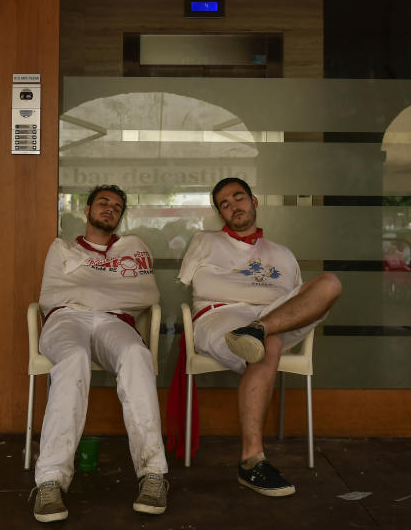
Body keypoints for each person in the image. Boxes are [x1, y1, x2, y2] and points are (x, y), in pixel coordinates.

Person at [171, 177, 341, 497]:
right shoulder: (204, 241)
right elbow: (186, 285)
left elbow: (299, 302)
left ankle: (258, 330)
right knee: (267, 345)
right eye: (225, 203)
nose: (234, 206)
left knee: (330, 282)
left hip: (274, 317)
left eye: (239, 198)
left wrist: (265, 321)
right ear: (220, 214)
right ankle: (251, 462)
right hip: (219, 316)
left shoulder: (283, 253)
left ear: (254, 201)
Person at [30, 184, 169, 522]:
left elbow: (146, 295)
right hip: (65, 318)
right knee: (74, 359)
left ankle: (154, 474)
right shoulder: (61, 247)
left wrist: (84, 286)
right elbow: (52, 295)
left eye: (117, 206)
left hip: (114, 322)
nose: (110, 209)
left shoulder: (132, 249)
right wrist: (111, 289)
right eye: (103, 203)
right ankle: (49, 481)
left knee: (137, 355)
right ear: (87, 210)